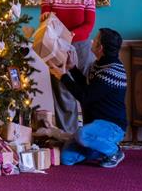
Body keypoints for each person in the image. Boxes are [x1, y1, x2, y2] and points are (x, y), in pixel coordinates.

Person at [48, 28, 127, 168]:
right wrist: (72, 68)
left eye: (95, 39)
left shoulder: (112, 71)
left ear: (100, 47)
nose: (92, 41)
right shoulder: (98, 65)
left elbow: (84, 97)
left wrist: (63, 76)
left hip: (111, 126)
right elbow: (88, 87)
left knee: (82, 134)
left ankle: (114, 151)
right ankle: (99, 149)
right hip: (94, 125)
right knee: (66, 158)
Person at [40, 0, 96, 134]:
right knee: (63, 93)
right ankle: (68, 137)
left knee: (87, 92)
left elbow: (88, 26)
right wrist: (45, 20)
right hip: (57, 49)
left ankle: (90, 135)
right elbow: (46, 23)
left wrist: (70, 36)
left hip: (82, 48)